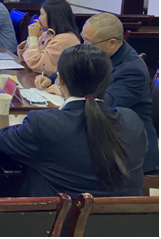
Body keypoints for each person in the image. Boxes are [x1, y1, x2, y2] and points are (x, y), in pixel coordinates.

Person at [0, 44, 146, 198]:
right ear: (108, 81)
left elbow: (2, 138)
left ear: (59, 80)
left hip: (59, 213)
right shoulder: (132, 121)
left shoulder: (43, 124)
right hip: (124, 213)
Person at [35, 13, 159, 174]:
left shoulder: (132, 70)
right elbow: (74, 65)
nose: (84, 45)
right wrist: (52, 78)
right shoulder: (101, 53)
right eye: (83, 38)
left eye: (89, 42)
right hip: (99, 132)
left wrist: (66, 91)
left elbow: (105, 103)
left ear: (112, 42)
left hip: (127, 145)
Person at [17, 0, 80, 74]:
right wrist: (32, 37)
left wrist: (33, 38)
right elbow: (23, 57)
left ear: (53, 17)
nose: (38, 18)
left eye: (41, 14)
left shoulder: (66, 39)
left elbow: (38, 65)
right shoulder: (47, 33)